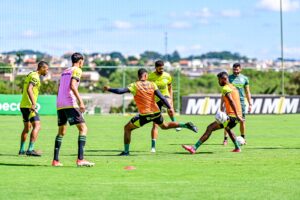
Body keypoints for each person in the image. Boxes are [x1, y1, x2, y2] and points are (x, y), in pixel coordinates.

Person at [103, 68, 198, 156]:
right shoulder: (152, 84)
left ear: (139, 76)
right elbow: (162, 97)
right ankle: (185, 125)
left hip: (145, 115)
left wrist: (109, 89)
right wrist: (169, 107)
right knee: (164, 126)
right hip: (156, 112)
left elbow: (120, 91)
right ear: (145, 75)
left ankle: (126, 152)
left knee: (127, 128)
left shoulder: (135, 85)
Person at [182, 71, 244, 154]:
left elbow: (231, 101)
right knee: (228, 129)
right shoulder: (233, 87)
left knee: (210, 127)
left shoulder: (225, 88)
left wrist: (236, 115)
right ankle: (237, 147)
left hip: (233, 116)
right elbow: (232, 101)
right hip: (236, 116)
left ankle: (194, 148)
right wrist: (237, 115)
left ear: (224, 79)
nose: (218, 82)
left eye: (219, 80)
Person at [52, 52, 94, 167]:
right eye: (83, 61)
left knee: (61, 131)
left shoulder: (65, 71)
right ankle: (81, 159)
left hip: (60, 103)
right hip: (69, 102)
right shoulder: (77, 70)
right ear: (80, 61)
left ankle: (55, 160)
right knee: (83, 128)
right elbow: (72, 86)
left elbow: (60, 87)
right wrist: (80, 101)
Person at [148, 60, 181, 153]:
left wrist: (170, 98)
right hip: (155, 99)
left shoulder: (167, 76)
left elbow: (170, 87)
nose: (162, 70)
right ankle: (153, 147)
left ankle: (175, 124)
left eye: (163, 68)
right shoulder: (150, 77)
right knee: (155, 124)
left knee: (170, 109)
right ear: (156, 68)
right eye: (160, 68)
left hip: (165, 97)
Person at [19, 61, 49, 156]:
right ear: (42, 68)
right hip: (29, 106)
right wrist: (33, 103)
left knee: (27, 128)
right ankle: (30, 149)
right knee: (37, 126)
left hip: (23, 105)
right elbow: (29, 89)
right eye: (46, 69)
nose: (47, 71)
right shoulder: (35, 77)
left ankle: (22, 150)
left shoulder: (30, 74)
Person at [223, 63, 252, 145]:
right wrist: (222, 103)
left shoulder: (245, 79)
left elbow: (247, 92)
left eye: (237, 69)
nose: (235, 70)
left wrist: (250, 104)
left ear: (240, 69)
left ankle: (243, 138)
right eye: (234, 69)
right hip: (230, 102)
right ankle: (225, 139)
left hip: (241, 103)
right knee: (227, 121)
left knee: (242, 121)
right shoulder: (228, 78)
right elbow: (224, 91)